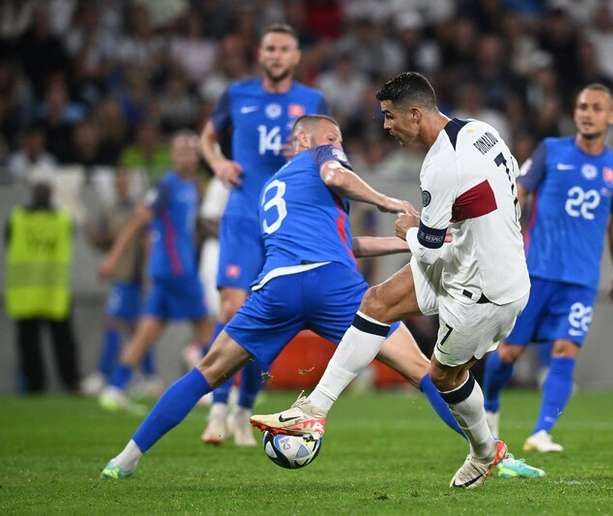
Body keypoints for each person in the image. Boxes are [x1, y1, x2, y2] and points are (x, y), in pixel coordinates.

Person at [99, 114, 469, 480]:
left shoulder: (274, 187)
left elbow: (342, 244)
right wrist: (386, 201)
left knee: (208, 371)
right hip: (332, 286)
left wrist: (405, 240)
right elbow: (335, 176)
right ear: (307, 141)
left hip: (278, 289)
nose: (337, 144)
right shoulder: (321, 160)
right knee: (422, 370)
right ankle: (488, 453)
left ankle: (126, 458)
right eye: (332, 137)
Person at [251, 73, 544, 488]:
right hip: (470, 258)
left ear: (414, 112)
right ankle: (313, 409)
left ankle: (484, 452)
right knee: (376, 302)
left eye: (389, 117)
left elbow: (426, 248)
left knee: (444, 377)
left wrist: (406, 228)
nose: (386, 126)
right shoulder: (481, 130)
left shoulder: (441, 166)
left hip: (485, 289)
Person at [198, 23, 328, 446]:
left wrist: (308, 155)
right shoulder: (237, 95)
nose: (276, 55)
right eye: (270, 48)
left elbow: (329, 154)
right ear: (260, 54)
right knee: (231, 311)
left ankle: (244, 409)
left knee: (269, 317)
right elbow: (207, 137)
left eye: (284, 49)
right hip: (241, 217)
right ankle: (217, 410)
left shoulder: (312, 101)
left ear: (296, 57)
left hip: (287, 223)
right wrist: (217, 164)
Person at [481, 83, 613, 454]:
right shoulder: (551, 150)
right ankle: (489, 406)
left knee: (566, 350)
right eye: (582, 106)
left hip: (581, 280)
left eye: (596, 107)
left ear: (611, 117)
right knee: (509, 354)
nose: (587, 113)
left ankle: (541, 432)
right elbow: (520, 188)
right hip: (536, 274)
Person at [97, 132, 213, 413]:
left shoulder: (192, 186)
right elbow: (139, 220)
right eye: (181, 150)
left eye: (192, 150)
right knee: (206, 327)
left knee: (147, 332)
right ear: (172, 155)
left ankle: (114, 388)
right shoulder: (167, 185)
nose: (188, 154)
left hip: (168, 270)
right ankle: (216, 391)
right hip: (177, 269)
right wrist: (113, 257)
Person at [81, 168, 158, 397]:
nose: (121, 185)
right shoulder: (110, 210)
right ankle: (147, 376)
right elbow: (103, 242)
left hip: (135, 278)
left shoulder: (140, 210)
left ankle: (106, 375)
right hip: (121, 277)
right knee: (135, 329)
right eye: (118, 181)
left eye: (125, 181)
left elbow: (148, 241)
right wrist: (90, 230)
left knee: (121, 326)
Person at [4, 178, 80, 392]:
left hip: (26, 293)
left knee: (30, 344)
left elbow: (7, 241)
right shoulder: (63, 218)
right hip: (53, 291)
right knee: (62, 341)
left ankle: (35, 386)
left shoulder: (16, 218)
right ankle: (70, 382)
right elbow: (73, 230)